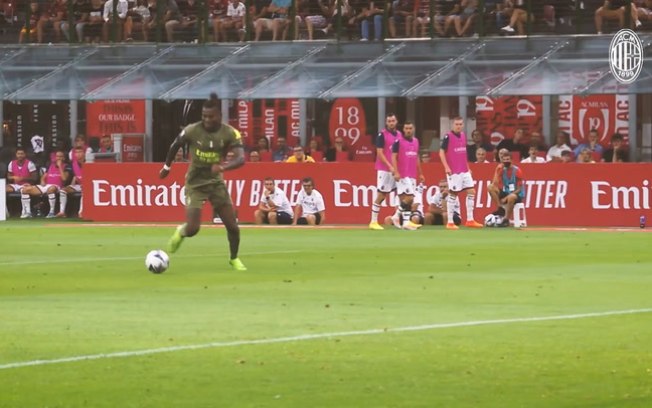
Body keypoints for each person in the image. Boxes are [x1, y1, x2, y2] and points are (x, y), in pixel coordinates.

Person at [159, 93, 247, 271]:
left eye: (210, 116)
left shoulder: (230, 132)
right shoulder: (193, 130)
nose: (207, 120)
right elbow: (175, 145)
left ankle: (234, 258)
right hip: (195, 183)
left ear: (219, 116)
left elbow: (240, 159)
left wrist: (223, 168)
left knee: (233, 226)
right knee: (193, 229)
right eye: (204, 116)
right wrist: (167, 167)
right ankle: (181, 232)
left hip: (216, 183)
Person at [439, 116, 483, 230]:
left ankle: (470, 219)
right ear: (453, 125)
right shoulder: (448, 136)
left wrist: (468, 167)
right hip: (454, 171)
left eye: (460, 124)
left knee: (471, 191)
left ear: (462, 125)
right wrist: (446, 167)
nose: (458, 126)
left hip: (464, 170)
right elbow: (441, 152)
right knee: (453, 194)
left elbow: (463, 153)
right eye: (456, 124)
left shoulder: (463, 136)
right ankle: (450, 222)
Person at [390, 121, 424, 230]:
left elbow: (416, 157)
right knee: (409, 197)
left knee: (406, 199)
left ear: (413, 129)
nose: (408, 130)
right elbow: (393, 157)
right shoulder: (398, 142)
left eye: (410, 128)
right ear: (403, 129)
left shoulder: (416, 141)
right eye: (406, 128)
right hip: (403, 174)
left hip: (412, 174)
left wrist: (420, 173)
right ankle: (396, 216)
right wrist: (396, 171)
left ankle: (405, 223)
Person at [369, 113, 401, 230]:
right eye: (389, 121)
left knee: (402, 193)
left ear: (396, 122)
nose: (391, 123)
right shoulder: (382, 135)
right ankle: (373, 221)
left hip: (396, 169)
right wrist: (390, 166)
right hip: (384, 170)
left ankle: (397, 217)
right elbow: (380, 152)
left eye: (393, 121)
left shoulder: (399, 135)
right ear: (386, 123)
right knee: (382, 195)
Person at [23, 150, 70, 218]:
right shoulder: (50, 165)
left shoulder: (66, 166)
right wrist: (42, 181)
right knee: (25, 190)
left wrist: (60, 166)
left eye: (60, 156)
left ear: (64, 158)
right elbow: (44, 177)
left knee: (51, 189)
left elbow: (64, 178)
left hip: (57, 186)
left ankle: (51, 212)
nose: (58, 158)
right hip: (46, 185)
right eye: (57, 156)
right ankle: (28, 212)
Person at [488, 148, 525, 227]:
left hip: (516, 194)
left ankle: (506, 219)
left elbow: (519, 189)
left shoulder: (517, 170)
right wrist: (497, 171)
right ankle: (500, 208)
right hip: (507, 192)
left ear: (511, 160)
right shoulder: (501, 169)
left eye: (508, 159)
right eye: (504, 160)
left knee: (511, 197)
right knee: (490, 187)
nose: (506, 161)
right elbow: (494, 184)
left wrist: (506, 197)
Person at [6, 147, 38, 219]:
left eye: (22, 154)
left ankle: (27, 211)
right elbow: (8, 176)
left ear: (25, 154)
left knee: (25, 190)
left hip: (26, 185)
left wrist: (23, 178)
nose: (20, 155)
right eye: (18, 154)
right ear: (16, 155)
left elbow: (35, 178)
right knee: (2, 189)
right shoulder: (11, 163)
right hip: (15, 185)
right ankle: (4, 211)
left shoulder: (30, 164)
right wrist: (14, 177)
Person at [56, 146, 85, 218]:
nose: (78, 154)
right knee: (63, 190)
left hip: (88, 185)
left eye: (80, 152)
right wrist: (73, 182)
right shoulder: (72, 164)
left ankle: (81, 212)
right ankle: (62, 212)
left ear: (84, 153)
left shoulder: (89, 162)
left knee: (85, 191)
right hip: (79, 185)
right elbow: (67, 178)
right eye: (76, 152)